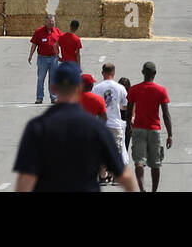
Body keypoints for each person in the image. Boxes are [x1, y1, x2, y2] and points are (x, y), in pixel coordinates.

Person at [13, 62, 136, 192]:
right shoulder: (96, 127)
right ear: (79, 87)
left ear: (53, 88)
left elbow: (26, 179)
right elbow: (124, 175)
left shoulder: (37, 127)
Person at [127, 61, 173, 192]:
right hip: (154, 130)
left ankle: (142, 189)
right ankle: (153, 190)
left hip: (138, 129)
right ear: (155, 73)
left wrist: (129, 128)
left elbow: (129, 111)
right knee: (155, 163)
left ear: (142, 73)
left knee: (138, 162)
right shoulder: (161, 90)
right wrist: (170, 134)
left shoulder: (134, 89)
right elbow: (166, 114)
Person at [91, 63, 130, 169]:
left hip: (101, 125)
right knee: (116, 152)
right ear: (113, 72)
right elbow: (126, 106)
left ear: (102, 73)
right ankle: (115, 176)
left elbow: (93, 107)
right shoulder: (120, 88)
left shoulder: (97, 88)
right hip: (115, 124)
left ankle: (103, 176)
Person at [28, 14, 63, 104]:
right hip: (42, 58)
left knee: (53, 79)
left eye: (53, 22)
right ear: (46, 22)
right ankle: (39, 97)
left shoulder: (57, 31)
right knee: (41, 78)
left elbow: (62, 42)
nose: (52, 23)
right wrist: (31, 55)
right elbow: (34, 44)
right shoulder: (39, 31)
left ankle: (53, 97)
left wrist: (64, 55)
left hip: (54, 59)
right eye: (50, 22)